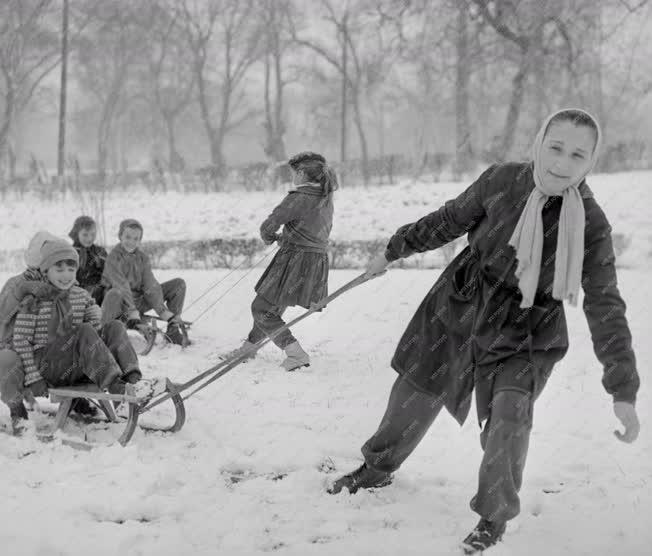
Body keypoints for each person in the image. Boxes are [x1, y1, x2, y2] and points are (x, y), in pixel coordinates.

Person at [327, 109, 640, 554]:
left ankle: (493, 517)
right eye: (556, 147)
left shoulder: (591, 223)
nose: (563, 161)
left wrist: (622, 387)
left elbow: (606, 303)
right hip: (464, 299)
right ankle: (377, 467)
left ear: (590, 161)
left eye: (578, 154)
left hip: (529, 325)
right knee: (417, 388)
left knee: (511, 413)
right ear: (539, 142)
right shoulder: (503, 180)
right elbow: (449, 220)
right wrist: (393, 250)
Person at [5, 239, 141, 433]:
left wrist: (95, 314)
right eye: (58, 269)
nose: (66, 275)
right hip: (47, 366)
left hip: (76, 363)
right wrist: (34, 378)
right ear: (45, 271)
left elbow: (94, 333)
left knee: (115, 326)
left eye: (71, 269)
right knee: (83, 330)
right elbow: (21, 341)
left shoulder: (80, 295)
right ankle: (115, 386)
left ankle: (133, 381)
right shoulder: (33, 301)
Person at [221, 151, 337, 371]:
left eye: (294, 172)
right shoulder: (325, 198)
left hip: (294, 261)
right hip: (314, 261)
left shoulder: (299, 197)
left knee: (261, 308)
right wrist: (287, 237)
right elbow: (311, 232)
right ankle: (248, 349)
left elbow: (269, 224)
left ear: (302, 173)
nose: (292, 177)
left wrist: (269, 236)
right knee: (271, 306)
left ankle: (295, 353)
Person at [101, 219, 188, 346]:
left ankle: (173, 330)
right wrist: (132, 312)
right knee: (116, 292)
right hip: (120, 305)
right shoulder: (113, 258)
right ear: (120, 236)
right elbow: (121, 286)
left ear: (140, 240)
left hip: (139, 301)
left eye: (136, 238)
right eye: (128, 237)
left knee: (178, 284)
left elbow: (150, 284)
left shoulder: (142, 258)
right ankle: (110, 332)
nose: (131, 242)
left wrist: (163, 311)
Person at [69, 215, 108, 305]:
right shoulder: (71, 252)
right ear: (76, 233)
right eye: (85, 234)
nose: (89, 238)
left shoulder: (99, 251)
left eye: (93, 234)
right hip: (80, 291)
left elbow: (109, 270)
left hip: (102, 289)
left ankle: (123, 315)